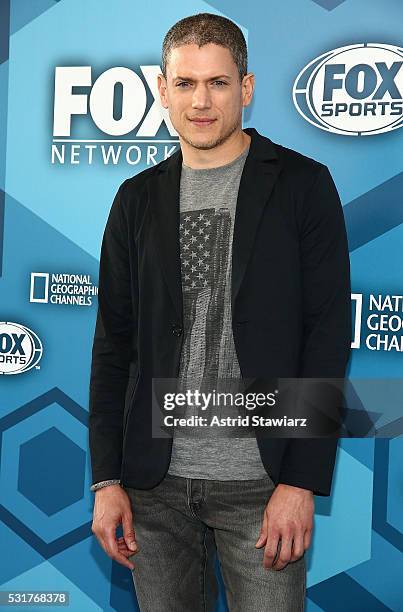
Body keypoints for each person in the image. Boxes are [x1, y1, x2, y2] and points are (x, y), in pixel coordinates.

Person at [89, 12, 352, 612]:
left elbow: (327, 335)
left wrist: (301, 480)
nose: (201, 101)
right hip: (152, 487)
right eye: (185, 84)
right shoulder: (135, 199)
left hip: (262, 485)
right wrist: (107, 480)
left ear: (247, 88)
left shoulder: (302, 186)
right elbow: (113, 345)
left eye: (218, 83)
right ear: (162, 90)